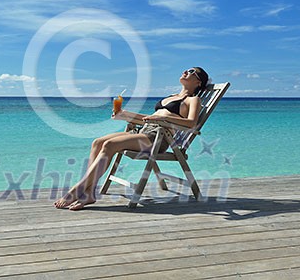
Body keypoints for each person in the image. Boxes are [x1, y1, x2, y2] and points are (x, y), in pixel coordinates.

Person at [54, 67, 210, 210]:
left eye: (191, 71)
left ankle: (78, 189)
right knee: (97, 142)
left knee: (109, 145)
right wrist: (126, 115)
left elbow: (191, 123)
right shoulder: (171, 97)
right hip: (144, 131)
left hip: (158, 138)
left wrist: (164, 121)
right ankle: (89, 193)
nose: (185, 71)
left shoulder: (193, 100)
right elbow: (149, 118)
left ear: (198, 82)